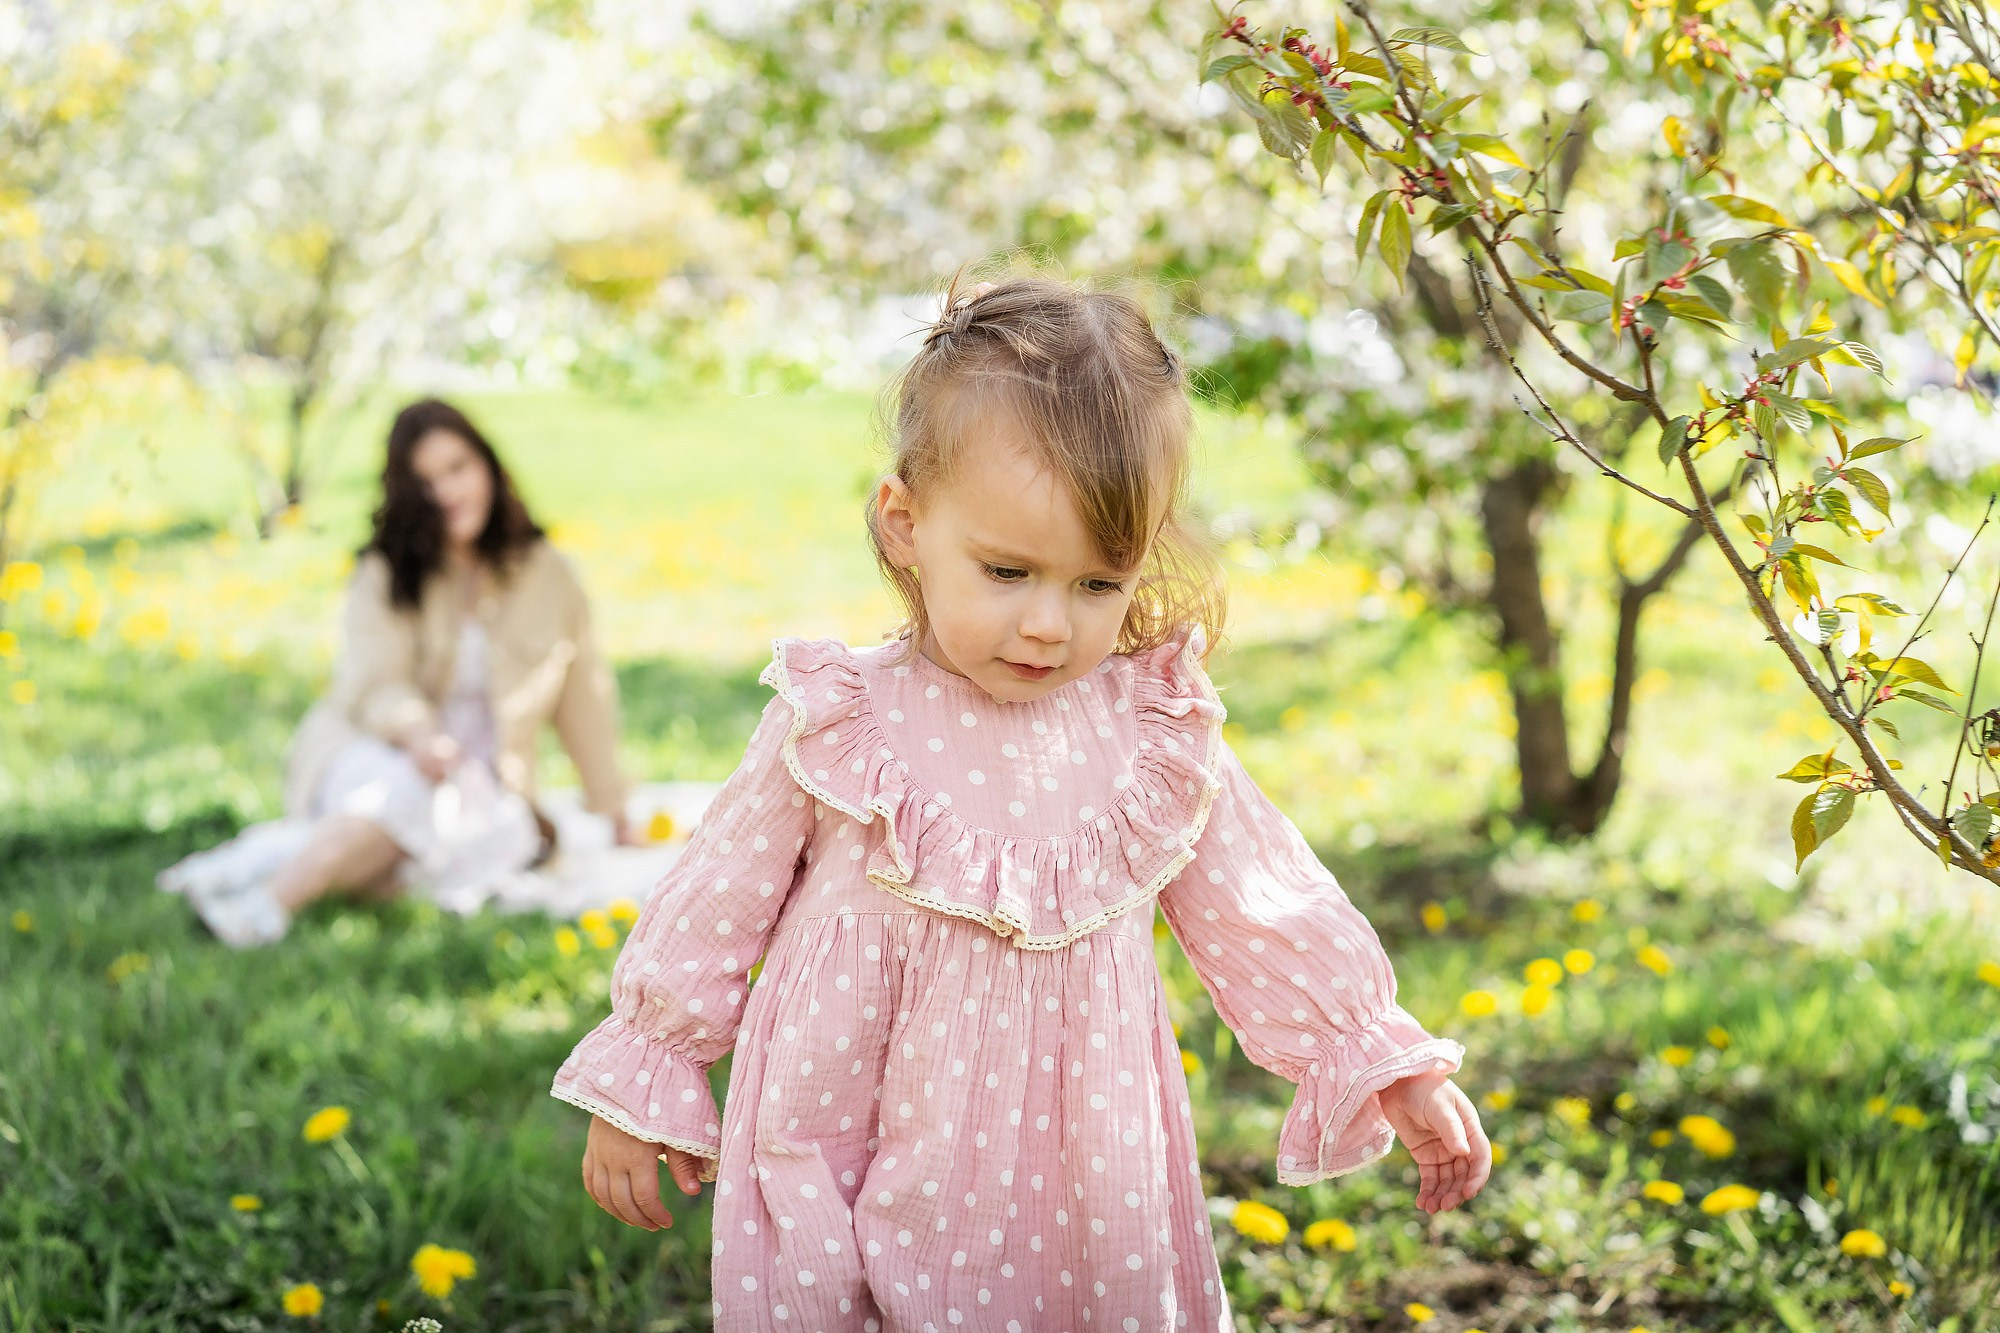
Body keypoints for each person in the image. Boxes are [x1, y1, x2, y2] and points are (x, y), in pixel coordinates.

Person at [549, 276, 1490, 1329]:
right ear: (905, 523)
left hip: (1080, 1165)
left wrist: (1376, 1057)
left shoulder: (1150, 733)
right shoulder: (839, 722)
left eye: (1097, 584)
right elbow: (715, 899)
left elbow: (1261, 901)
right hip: (841, 1127)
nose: (1049, 623)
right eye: (1007, 571)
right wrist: (652, 1066)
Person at [159, 398, 633, 946]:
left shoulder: (549, 573)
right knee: (406, 795)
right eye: (426, 483)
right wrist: (421, 738)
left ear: (487, 466)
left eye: (457, 469)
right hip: (374, 749)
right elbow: (377, 683)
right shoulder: (386, 570)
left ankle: (263, 862)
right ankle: (268, 907)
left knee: (486, 840)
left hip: (479, 781)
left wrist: (613, 808)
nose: (447, 493)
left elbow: (584, 698)